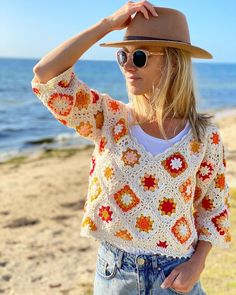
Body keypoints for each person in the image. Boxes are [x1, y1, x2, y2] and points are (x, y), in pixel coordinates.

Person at [31, 1, 231, 294]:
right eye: (121, 55)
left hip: (176, 278)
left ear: (173, 62)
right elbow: (46, 75)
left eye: (139, 56)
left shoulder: (204, 136)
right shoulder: (107, 118)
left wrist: (197, 264)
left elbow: (213, 209)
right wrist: (108, 24)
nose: (127, 65)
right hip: (115, 276)